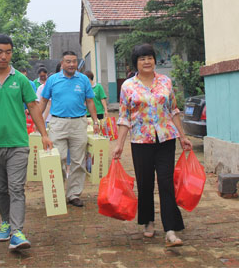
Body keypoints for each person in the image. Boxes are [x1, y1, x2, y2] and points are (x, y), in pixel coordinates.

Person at [0, 34, 53, 251]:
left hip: (18, 144)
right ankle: (5, 222)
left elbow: (33, 107)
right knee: (1, 188)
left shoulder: (21, 80)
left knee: (16, 187)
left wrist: (43, 134)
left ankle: (17, 232)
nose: (4, 56)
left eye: (8, 52)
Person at [112, 43, 192, 247]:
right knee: (145, 182)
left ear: (155, 60)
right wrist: (119, 144)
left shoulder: (165, 81)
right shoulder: (128, 86)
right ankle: (148, 221)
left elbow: (173, 110)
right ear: (136, 63)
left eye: (149, 57)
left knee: (166, 182)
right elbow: (124, 117)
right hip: (140, 141)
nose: (147, 61)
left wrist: (183, 137)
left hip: (166, 138)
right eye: (142, 59)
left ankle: (171, 229)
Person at [40, 51, 99, 207]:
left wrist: (96, 121)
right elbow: (44, 101)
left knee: (78, 161)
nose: (71, 64)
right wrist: (37, 120)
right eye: (68, 61)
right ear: (62, 62)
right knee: (57, 159)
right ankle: (57, 192)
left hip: (79, 123)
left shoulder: (83, 80)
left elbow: (90, 102)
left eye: (74, 61)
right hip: (58, 124)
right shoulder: (52, 80)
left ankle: (73, 194)